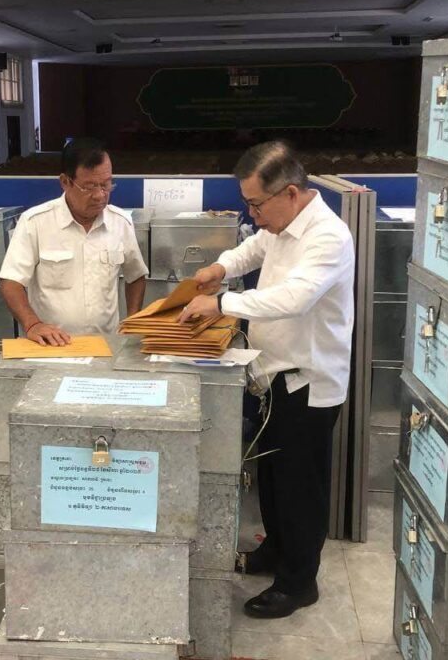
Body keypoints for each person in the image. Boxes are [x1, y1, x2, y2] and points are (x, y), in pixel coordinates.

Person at [178, 140, 355, 619]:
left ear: (290, 193)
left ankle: (299, 583)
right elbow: (254, 249)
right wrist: (220, 268)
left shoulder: (328, 237)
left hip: (307, 382)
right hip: (272, 374)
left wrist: (221, 303)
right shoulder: (280, 225)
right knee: (273, 480)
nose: (254, 216)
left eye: (257, 204)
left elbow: (294, 298)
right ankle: (275, 551)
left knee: (300, 487)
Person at [0, 137, 148, 345]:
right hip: (51, 346)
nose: (100, 195)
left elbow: (136, 276)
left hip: (106, 345)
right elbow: (11, 281)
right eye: (89, 187)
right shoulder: (35, 222)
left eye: (106, 185)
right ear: (65, 182)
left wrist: (132, 321)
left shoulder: (120, 223)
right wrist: (32, 324)